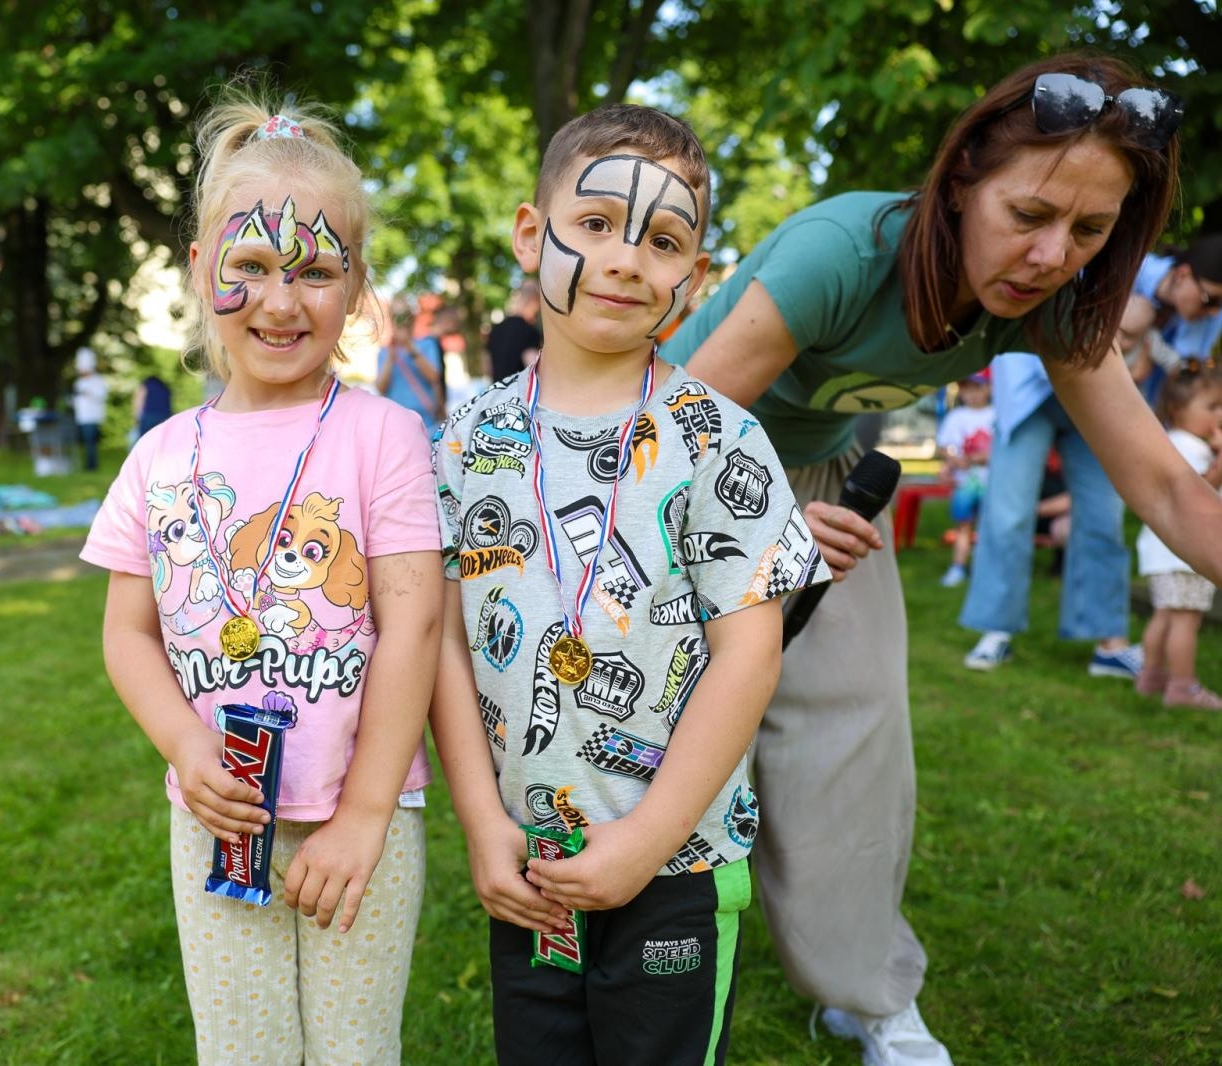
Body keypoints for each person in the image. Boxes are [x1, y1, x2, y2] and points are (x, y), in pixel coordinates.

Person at [660, 54, 1215, 1066]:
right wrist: (774, 537)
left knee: (857, 735)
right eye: (1031, 213)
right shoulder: (839, 250)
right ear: (960, 182)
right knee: (677, 735)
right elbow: (670, 442)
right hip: (685, 483)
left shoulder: (1055, 301)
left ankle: (863, 989)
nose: (1052, 255)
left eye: (1090, 232)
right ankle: (644, 972)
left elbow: (1170, 488)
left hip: (823, 481)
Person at [433, 103, 825, 1066]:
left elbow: (750, 651)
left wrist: (649, 838)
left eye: (661, 241)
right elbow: (439, 641)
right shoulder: (465, 440)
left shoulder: (717, 439)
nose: (623, 259)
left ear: (692, 284)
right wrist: (485, 828)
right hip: (532, 862)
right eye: (597, 223)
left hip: (680, 865)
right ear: (534, 235)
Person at [78, 94, 442, 1066]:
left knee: (354, 1051)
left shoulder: (386, 437)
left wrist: (365, 814)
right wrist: (185, 746)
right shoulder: (157, 458)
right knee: (242, 1051)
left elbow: (414, 630)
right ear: (202, 271)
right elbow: (127, 632)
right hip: (216, 820)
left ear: (359, 286)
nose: (282, 303)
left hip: (362, 815)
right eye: (251, 267)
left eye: (317, 270)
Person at [958, 350, 1144, 675]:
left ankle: (1109, 645)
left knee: (1104, 516)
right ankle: (997, 629)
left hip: (1097, 386)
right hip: (1024, 386)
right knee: (1008, 514)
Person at [1134, 365, 1222, 709]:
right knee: (1186, 618)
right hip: (1185, 551)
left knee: (1166, 614)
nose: (1220, 414)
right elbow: (1201, 489)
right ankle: (1183, 688)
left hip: (1163, 550)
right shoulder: (1189, 447)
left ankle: (1151, 676)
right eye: (1212, 407)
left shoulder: (1171, 443)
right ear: (1176, 409)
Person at [1123, 235, 1222, 402]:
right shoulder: (1128, 268)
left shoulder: (1213, 317)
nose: (1214, 312)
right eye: (1210, 299)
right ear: (1182, 274)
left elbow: (1188, 376)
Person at [935, 371, 995, 587]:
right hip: (964, 483)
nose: (971, 394)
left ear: (989, 387)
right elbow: (945, 446)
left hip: (992, 482)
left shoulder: (996, 414)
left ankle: (985, 571)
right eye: (966, 388)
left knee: (990, 528)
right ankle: (958, 566)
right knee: (963, 526)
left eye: (977, 388)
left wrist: (980, 458)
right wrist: (953, 460)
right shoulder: (956, 416)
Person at [374, 299, 445, 427]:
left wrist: (409, 347)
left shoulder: (427, 344)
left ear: (411, 318)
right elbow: (380, 388)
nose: (401, 321)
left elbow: (434, 376)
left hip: (425, 419)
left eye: (404, 315)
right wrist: (391, 356)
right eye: (396, 316)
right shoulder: (384, 351)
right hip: (394, 420)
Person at [484, 279, 543, 381]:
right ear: (534, 302)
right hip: (520, 394)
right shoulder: (529, 331)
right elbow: (534, 368)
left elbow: (487, 368)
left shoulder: (495, 330)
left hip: (499, 393)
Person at [71, 347, 108, 471]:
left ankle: (91, 466)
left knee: (90, 442)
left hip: (92, 416)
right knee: (86, 442)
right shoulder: (78, 382)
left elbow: (101, 396)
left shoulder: (98, 380)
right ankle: (88, 464)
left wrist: (88, 393)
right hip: (81, 416)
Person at [132, 370, 171, 439]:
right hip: (164, 418)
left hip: (148, 417)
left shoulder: (146, 385)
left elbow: (138, 401)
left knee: (145, 441)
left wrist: (136, 417)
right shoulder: (165, 387)